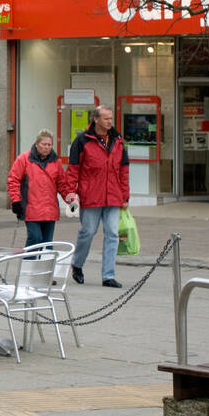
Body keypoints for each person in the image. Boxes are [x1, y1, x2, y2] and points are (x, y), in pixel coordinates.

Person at [65, 105, 130, 288]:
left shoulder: (118, 140)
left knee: (112, 234)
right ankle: (77, 264)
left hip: (113, 195)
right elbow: (73, 170)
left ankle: (108, 275)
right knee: (88, 232)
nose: (110, 122)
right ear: (96, 119)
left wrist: (125, 196)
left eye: (111, 118)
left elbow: (123, 170)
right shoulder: (82, 140)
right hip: (91, 195)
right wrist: (71, 194)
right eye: (106, 118)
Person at [7, 129, 68, 249]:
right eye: (44, 144)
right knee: (35, 238)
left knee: (47, 244)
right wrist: (15, 200)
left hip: (49, 210)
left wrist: (70, 199)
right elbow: (13, 180)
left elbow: (62, 184)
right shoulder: (24, 159)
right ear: (37, 144)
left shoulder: (56, 162)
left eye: (49, 145)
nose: (47, 147)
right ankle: (28, 265)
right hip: (31, 209)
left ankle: (45, 267)